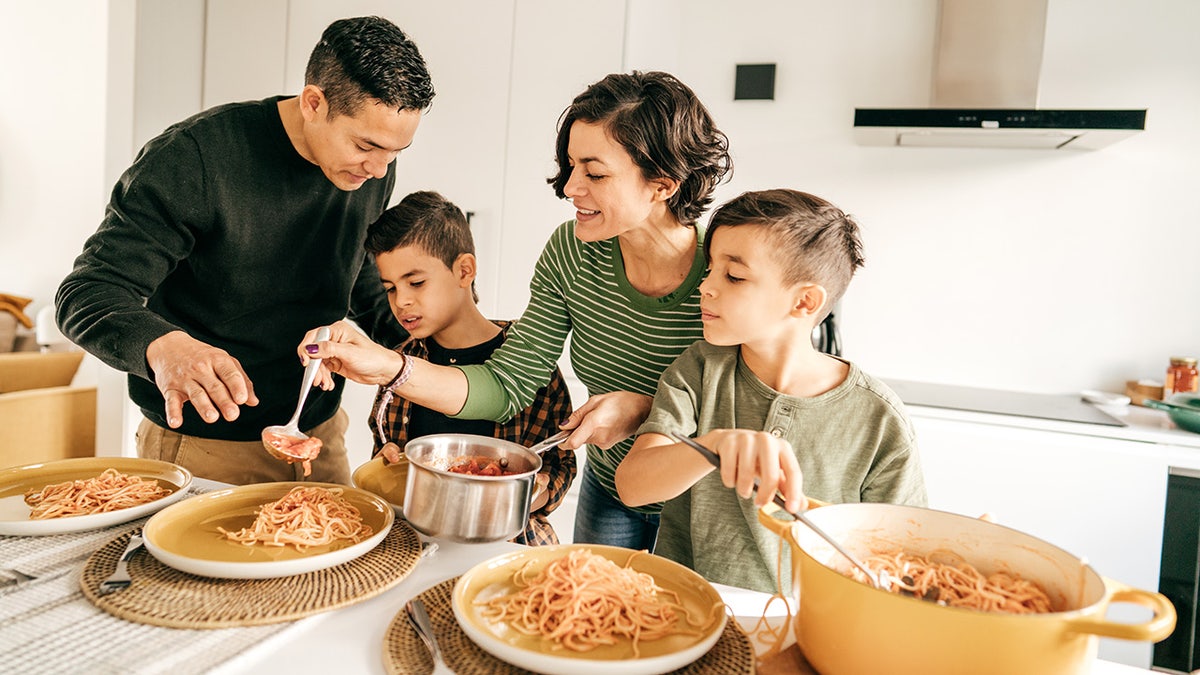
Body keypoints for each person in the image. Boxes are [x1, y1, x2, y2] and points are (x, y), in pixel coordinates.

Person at [299, 71, 731, 549]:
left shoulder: (730, 266)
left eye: (595, 172)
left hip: (706, 499)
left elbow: (761, 412)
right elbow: (505, 385)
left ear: (662, 185)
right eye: (570, 166)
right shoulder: (572, 252)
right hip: (612, 490)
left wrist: (647, 412)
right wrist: (387, 365)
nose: (570, 187)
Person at [54, 16, 435, 485]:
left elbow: (358, 278)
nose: (379, 171)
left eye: (395, 153)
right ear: (314, 103)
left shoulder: (367, 168)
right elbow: (88, 292)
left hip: (318, 435)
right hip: (202, 443)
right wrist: (164, 348)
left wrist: (441, 347)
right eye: (366, 146)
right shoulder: (194, 158)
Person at [614, 189, 927, 594]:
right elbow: (633, 486)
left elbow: (900, 559)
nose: (705, 287)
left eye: (734, 276)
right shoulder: (699, 369)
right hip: (687, 606)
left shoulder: (879, 419)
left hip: (809, 624)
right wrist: (714, 446)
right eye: (709, 269)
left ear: (804, 302)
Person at [362, 190, 576, 545]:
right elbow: (385, 452)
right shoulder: (400, 363)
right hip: (415, 540)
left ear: (464, 270)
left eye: (416, 283)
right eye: (390, 288)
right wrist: (388, 465)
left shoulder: (527, 360)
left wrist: (529, 491)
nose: (402, 301)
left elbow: (559, 470)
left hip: (508, 542)